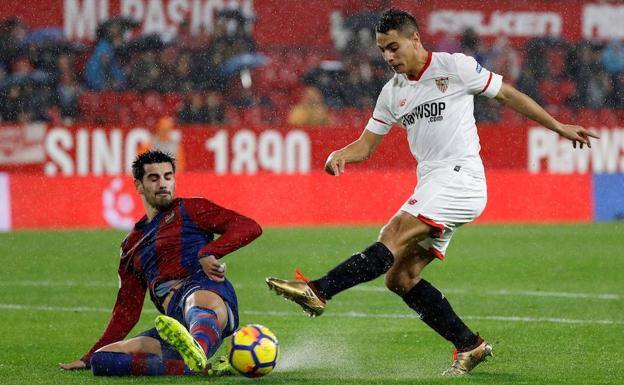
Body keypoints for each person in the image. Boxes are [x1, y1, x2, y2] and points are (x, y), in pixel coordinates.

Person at [266, 8, 599, 377]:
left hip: (461, 177)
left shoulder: (453, 66)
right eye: (382, 50)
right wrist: (342, 153)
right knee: (400, 278)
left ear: (415, 39)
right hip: (432, 183)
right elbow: (366, 145)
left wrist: (557, 126)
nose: (389, 57)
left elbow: (505, 94)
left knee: (391, 235)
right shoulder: (392, 93)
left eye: (393, 47)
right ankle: (470, 345)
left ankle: (319, 289)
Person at [60, 150, 262, 376]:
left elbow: (249, 227)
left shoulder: (191, 209)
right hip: (174, 322)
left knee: (195, 301)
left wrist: (209, 251)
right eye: (154, 178)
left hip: (206, 289)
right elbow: (127, 311)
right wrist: (87, 357)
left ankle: (197, 349)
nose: (163, 183)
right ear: (138, 185)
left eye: (168, 176)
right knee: (104, 360)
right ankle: (192, 367)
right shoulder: (131, 247)